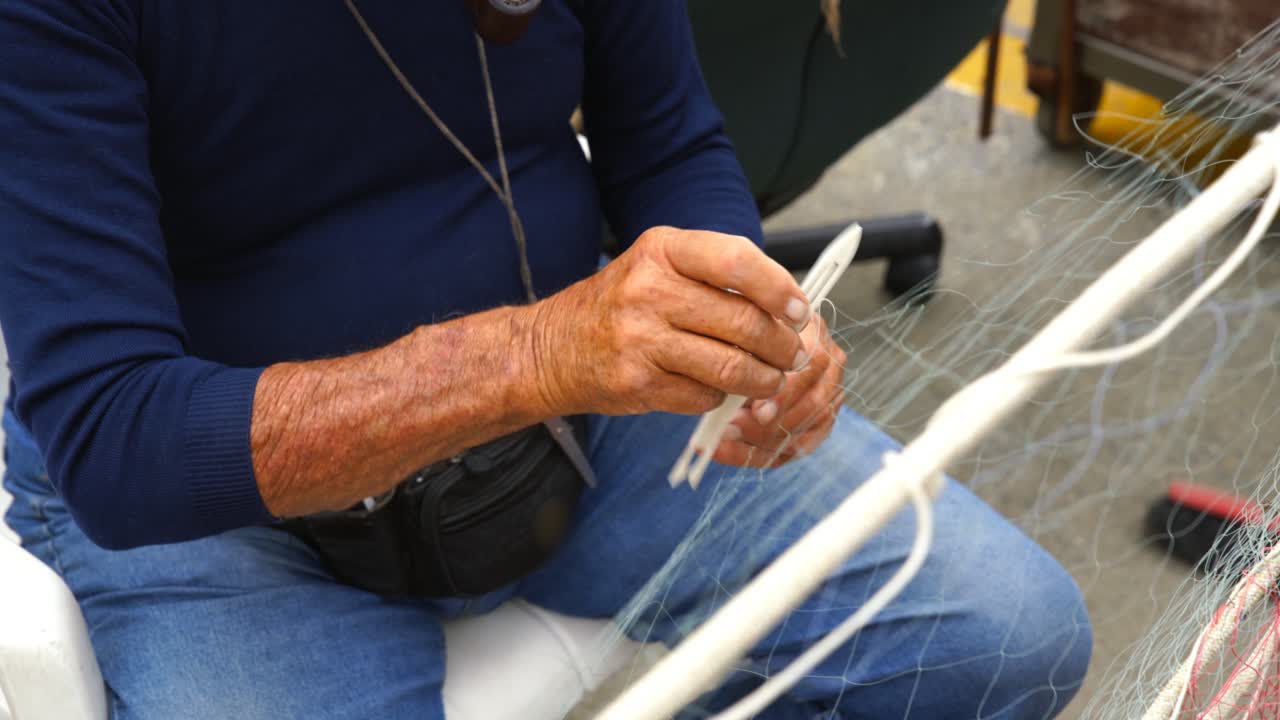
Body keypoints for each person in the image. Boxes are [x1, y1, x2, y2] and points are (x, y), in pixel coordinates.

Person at [0, 1, 1091, 718]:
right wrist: (533, 354)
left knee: (1007, 640)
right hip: (221, 514)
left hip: (574, 414)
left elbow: (667, 139)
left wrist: (744, 311)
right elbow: (116, 439)